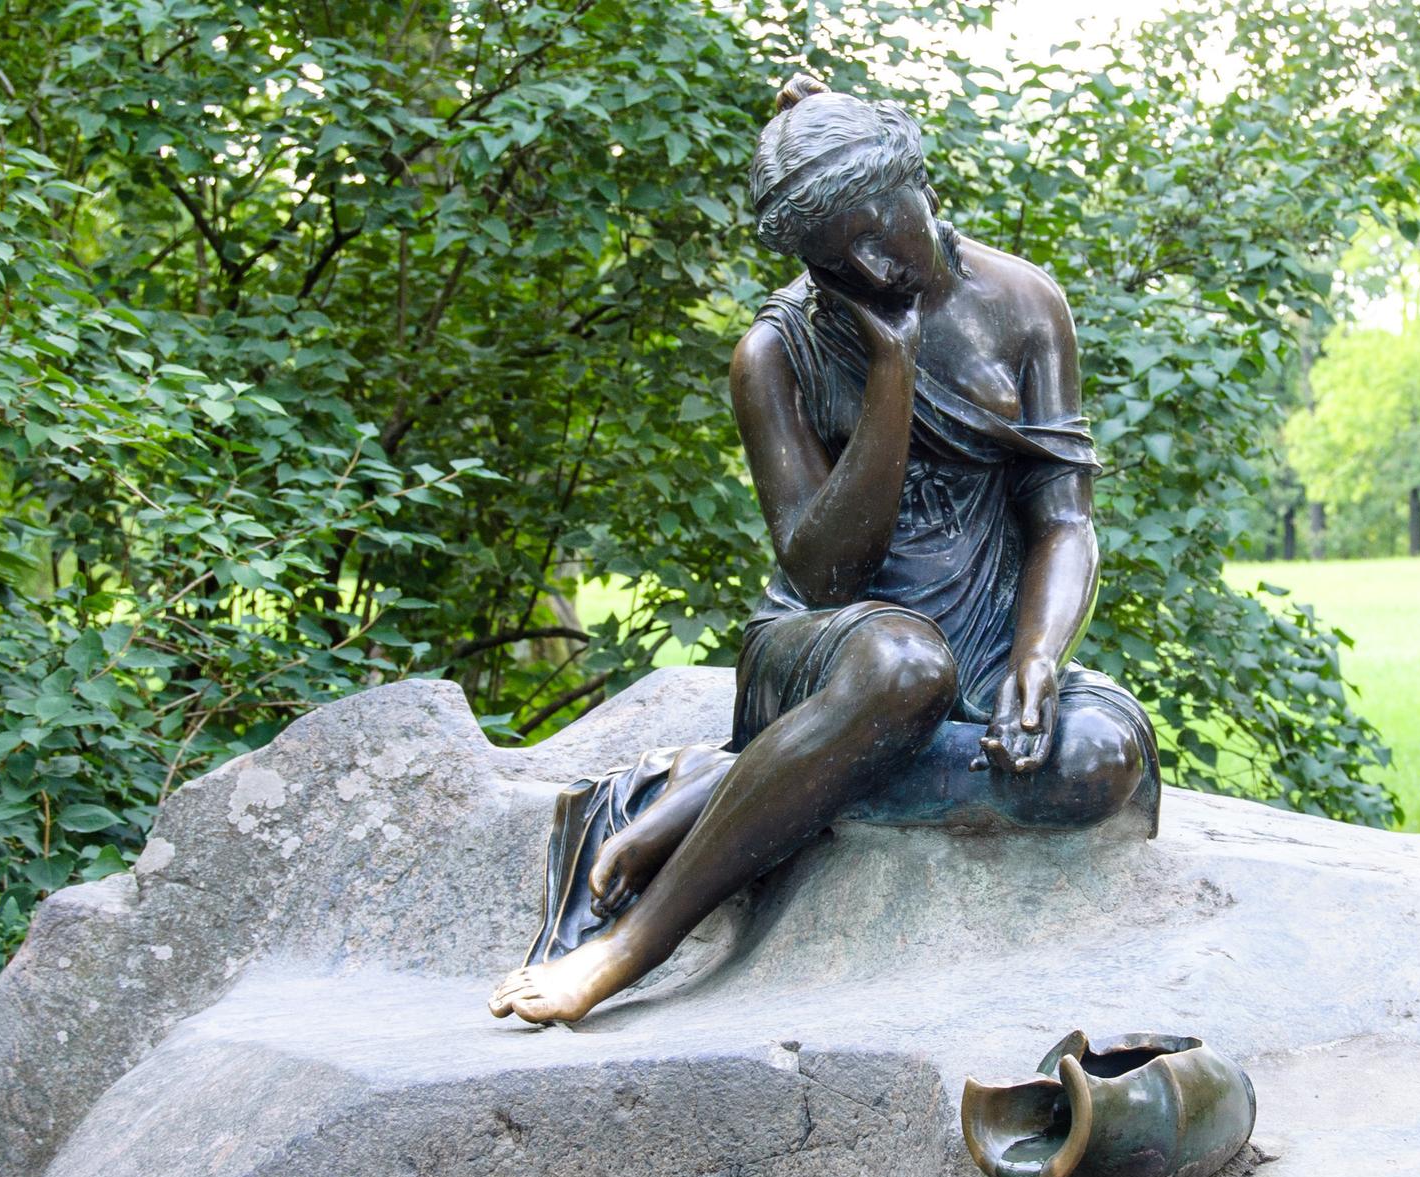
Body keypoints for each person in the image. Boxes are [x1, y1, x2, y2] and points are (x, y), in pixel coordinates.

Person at [489, 74, 1158, 1025]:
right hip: (831, 646)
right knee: (904, 670)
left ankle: (738, 782)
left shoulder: (1024, 304)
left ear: (922, 184)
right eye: (839, 256)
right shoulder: (775, 353)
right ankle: (634, 943)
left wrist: (1038, 655)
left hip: (978, 643)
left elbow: (1064, 520)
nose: (875, 264)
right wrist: (891, 370)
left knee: (1097, 760)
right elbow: (826, 573)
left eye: (882, 229)